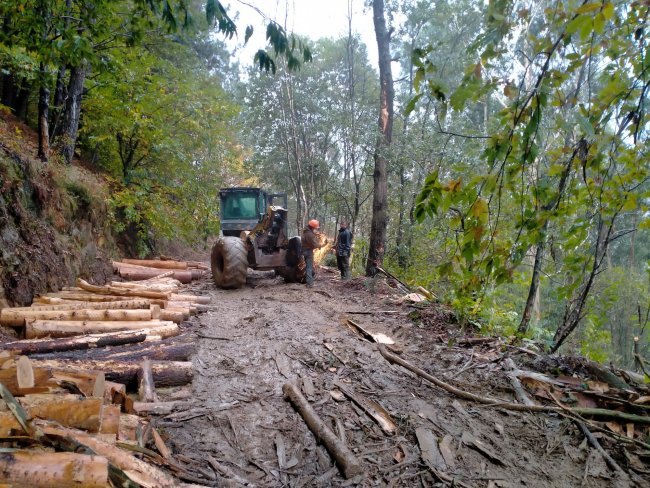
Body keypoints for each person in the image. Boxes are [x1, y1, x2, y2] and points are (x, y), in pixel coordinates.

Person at [301, 219, 326, 288]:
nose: (316, 229)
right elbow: (313, 244)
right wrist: (320, 245)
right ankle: (309, 284)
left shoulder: (305, 232)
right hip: (308, 251)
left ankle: (307, 281)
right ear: (312, 227)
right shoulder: (309, 234)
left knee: (307, 267)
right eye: (315, 227)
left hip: (304, 250)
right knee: (309, 267)